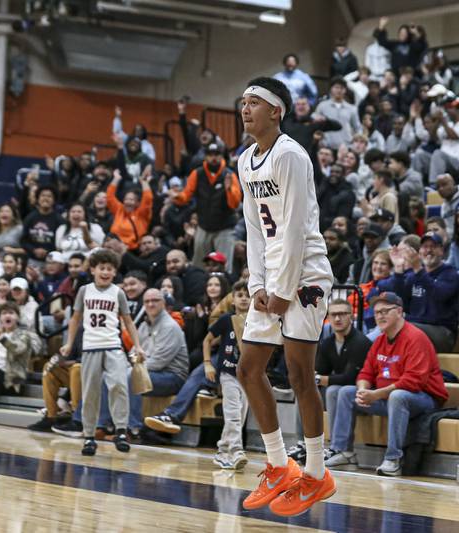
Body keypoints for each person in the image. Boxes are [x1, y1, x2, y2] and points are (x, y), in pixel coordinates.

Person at [236, 77, 336, 515]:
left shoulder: (292, 154)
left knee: (299, 374)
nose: (245, 109)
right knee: (248, 368)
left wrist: (283, 289)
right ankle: (279, 465)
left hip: (306, 272)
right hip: (273, 272)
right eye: (242, 103)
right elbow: (254, 230)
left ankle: (316, 473)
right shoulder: (245, 161)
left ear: (276, 111)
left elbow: (294, 228)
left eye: (254, 102)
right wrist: (257, 284)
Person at [325, 292, 448, 476]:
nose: (380, 316)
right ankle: (344, 452)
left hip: (423, 399)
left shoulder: (415, 338)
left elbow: (413, 381)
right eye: (377, 312)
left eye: (385, 311)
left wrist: (376, 394)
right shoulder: (380, 341)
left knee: (398, 396)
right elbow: (366, 372)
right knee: (344, 392)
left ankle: (393, 459)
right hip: (387, 397)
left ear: (399, 311)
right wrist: (363, 390)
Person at [60, 249, 145, 456]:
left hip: (113, 346)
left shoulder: (118, 293)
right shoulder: (84, 291)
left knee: (119, 385)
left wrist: (138, 345)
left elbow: (128, 322)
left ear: (115, 272)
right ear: (93, 270)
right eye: (102, 268)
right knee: (90, 393)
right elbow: (75, 319)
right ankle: (89, 436)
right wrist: (69, 344)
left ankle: (121, 431)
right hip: (90, 348)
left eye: (110, 269)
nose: (105, 272)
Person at [288, 299, 372, 463]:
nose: (338, 319)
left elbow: (349, 378)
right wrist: (312, 378)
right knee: (305, 388)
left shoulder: (361, 343)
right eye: (333, 315)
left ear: (351, 317)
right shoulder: (327, 343)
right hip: (338, 392)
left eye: (342, 314)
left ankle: (340, 449)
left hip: (361, 395)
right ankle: (303, 443)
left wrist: (317, 378)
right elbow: (319, 371)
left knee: (334, 390)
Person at [96, 288, 188, 438]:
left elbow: (158, 363)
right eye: (147, 301)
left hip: (172, 377)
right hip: (149, 371)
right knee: (110, 374)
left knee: (131, 377)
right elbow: (133, 351)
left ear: (163, 303)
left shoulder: (170, 326)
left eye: (155, 301)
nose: (150, 304)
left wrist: (132, 368)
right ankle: (105, 425)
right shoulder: (145, 325)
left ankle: (133, 428)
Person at [381, 233, 459, 352]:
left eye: (433, 246)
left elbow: (439, 294)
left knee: (404, 328)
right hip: (415, 328)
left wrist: (418, 269)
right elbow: (400, 301)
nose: (428, 250)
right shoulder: (415, 276)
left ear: (442, 251)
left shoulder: (450, 274)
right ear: (420, 251)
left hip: (442, 333)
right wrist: (398, 269)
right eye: (425, 246)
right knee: (389, 324)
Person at [169, 143, 241, 271]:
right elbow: (186, 195)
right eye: (210, 155)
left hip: (225, 227)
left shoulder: (229, 175)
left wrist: (229, 189)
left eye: (217, 155)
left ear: (221, 156)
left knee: (224, 265)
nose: (213, 158)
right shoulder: (196, 174)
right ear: (205, 157)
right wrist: (176, 196)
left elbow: (235, 204)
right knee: (198, 264)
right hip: (204, 226)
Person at [202, 281, 251, 470]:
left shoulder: (256, 321)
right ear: (232, 299)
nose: (244, 298)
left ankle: (222, 451)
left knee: (240, 414)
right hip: (228, 373)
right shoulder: (226, 319)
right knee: (233, 415)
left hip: (247, 376)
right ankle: (237, 451)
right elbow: (207, 341)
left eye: (247, 294)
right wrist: (208, 364)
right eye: (239, 295)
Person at [0, 302, 40, 396]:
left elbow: (17, 349)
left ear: (18, 317)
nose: (7, 315)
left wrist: (0, 337)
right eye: (4, 313)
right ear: (0, 318)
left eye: (11, 313)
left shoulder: (24, 335)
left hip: (11, 383)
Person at [426, 100, 459, 184]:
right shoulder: (450, 124)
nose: (447, 111)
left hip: (458, 161)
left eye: (450, 108)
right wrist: (438, 120)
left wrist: (443, 121)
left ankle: (434, 185)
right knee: (420, 156)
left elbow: (454, 136)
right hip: (443, 159)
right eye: (447, 108)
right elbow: (433, 136)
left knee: (438, 154)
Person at [107, 169, 153, 251]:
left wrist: (144, 182)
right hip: (114, 249)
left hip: (133, 250)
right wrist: (116, 179)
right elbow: (109, 197)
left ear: (138, 203)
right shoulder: (119, 209)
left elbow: (148, 199)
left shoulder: (141, 213)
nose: (128, 202)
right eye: (126, 199)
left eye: (132, 200)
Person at [21, 185, 65, 267]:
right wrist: (34, 250)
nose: (45, 198)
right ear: (37, 199)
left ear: (54, 200)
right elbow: (23, 240)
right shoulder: (30, 218)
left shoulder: (60, 220)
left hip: (53, 261)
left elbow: (61, 243)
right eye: (43, 195)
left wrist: (48, 252)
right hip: (32, 260)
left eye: (49, 196)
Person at [315, 77, 362, 150]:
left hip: (346, 147)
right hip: (326, 147)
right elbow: (315, 125)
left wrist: (354, 143)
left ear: (345, 90)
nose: (339, 90)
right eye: (336, 87)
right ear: (331, 89)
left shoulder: (352, 108)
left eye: (342, 88)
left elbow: (357, 128)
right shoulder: (322, 106)